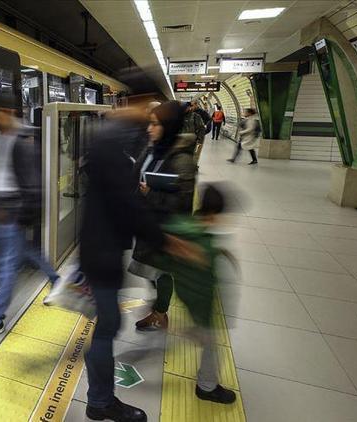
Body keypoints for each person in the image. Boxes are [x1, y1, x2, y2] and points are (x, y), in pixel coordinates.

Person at [80, 102, 204, 422]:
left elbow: (143, 200)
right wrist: (167, 240)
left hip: (101, 249)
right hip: (101, 253)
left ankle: (100, 398)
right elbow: (132, 204)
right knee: (107, 328)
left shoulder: (117, 146)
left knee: (107, 326)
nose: (148, 126)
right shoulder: (112, 147)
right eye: (145, 117)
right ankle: (100, 401)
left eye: (155, 122)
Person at [0, 93, 58, 341]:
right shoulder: (5, 136)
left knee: (6, 268)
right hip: (3, 210)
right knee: (24, 251)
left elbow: (32, 185)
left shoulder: (22, 141)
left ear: (9, 113)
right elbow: (2, 173)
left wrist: (17, 215)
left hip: (12, 213)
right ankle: (56, 279)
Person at [148, 184, 237, 404]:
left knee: (202, 336)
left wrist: (160, 305)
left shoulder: (182, 224)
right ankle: (207, 387)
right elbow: (206, 283)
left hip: (184, 293)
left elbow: (163, 268)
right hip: (199, 301)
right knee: (211, 344)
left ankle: (192, 332)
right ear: (216, 214)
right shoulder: (203, 244)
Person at [129, 102, 197, 331]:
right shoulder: (154, 149)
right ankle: (159, 305)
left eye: (155, 124)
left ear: (169, 126)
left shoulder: (182, 161)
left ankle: (160, 313)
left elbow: (183, 203)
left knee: (161, 271)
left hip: (166, 227)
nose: (149, 128)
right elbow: (136, 176)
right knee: (152, 270)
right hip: (148, 221)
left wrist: (151, 194)